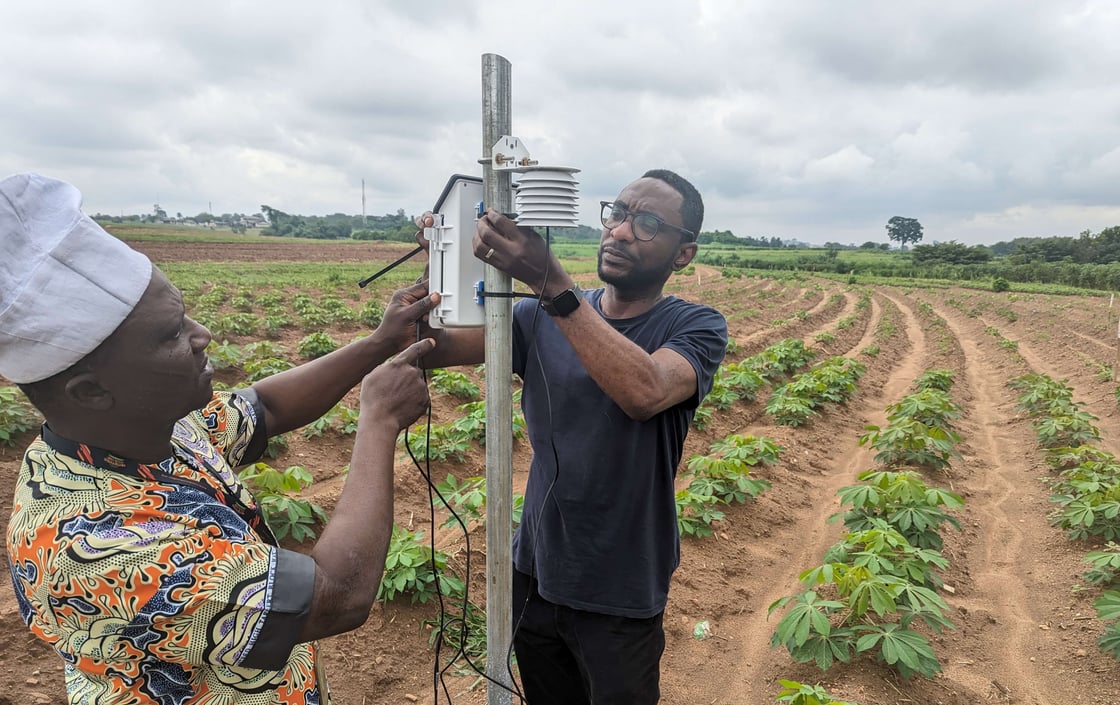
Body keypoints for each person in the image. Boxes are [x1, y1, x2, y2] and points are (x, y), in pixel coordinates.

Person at [1, 173, 440, 704]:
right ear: (91, 390)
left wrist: (379, 343)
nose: (199, 335)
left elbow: (267, 407)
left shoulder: (150, 432)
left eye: (182, 313)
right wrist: (379, 421)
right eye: (168, 335)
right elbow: (337, 596)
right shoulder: (88, 544)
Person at [407, 169, 727, 704]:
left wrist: (553, 283)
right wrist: (442, 255)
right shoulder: (536, 317)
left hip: (620, 583)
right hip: (534, 569)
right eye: (618, 213)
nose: (621, 231)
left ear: (683, 254)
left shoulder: (695, 327)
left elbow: (644, 390)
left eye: (647, 223)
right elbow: (434, 345)